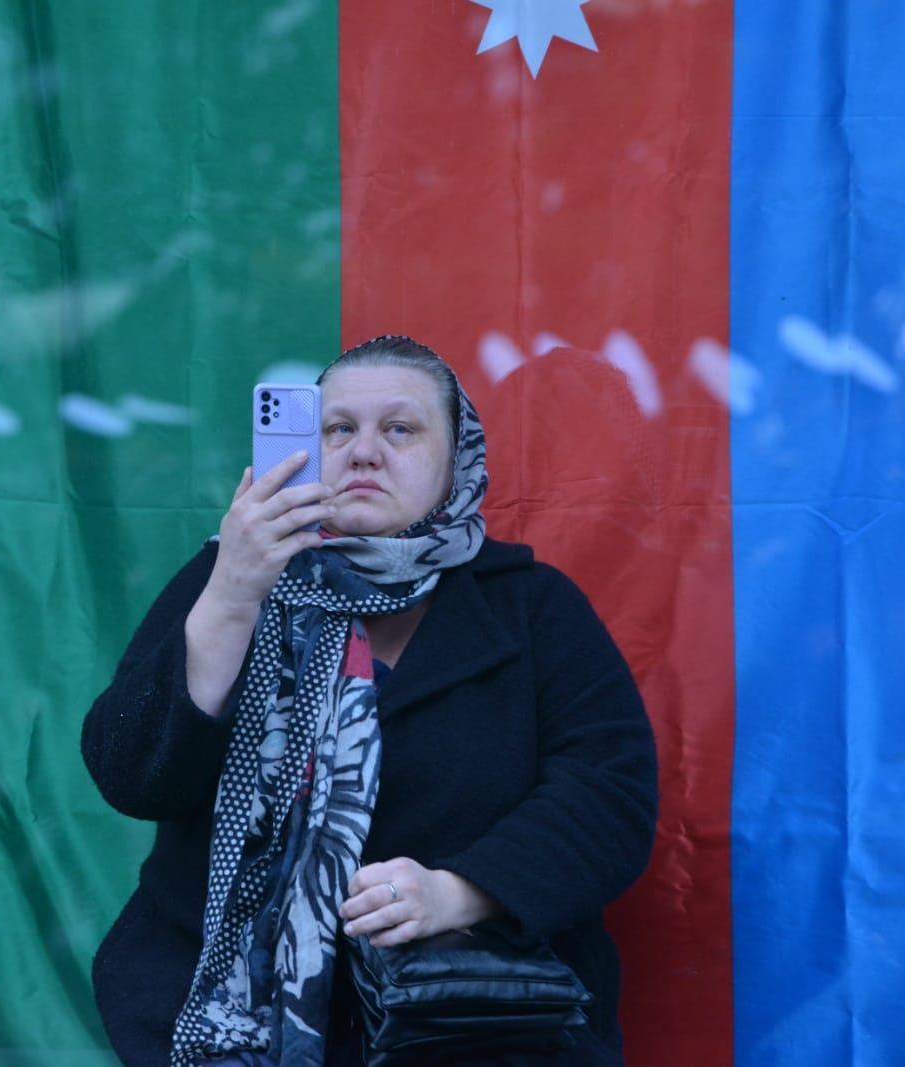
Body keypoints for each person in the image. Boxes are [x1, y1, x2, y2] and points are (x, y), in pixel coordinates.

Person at [82, 335, 659, 1066]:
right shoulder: (228, 576)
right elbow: (130, 774)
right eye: (337, 429)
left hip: (469, 1023)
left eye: (400, 429)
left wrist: (459, 892)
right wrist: (231, 594)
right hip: (219, 1026)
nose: (363, 453)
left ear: (456, 460)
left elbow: (610, 793)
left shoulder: (531, 606)